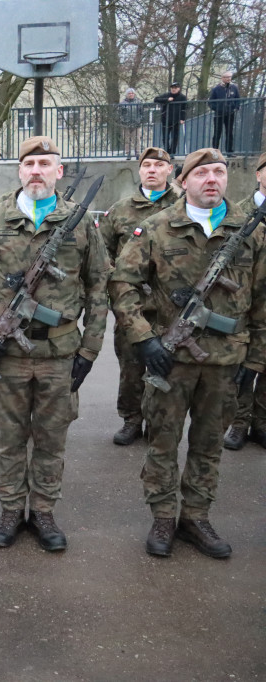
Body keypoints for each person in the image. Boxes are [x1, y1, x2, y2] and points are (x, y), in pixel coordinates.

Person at [0, 136, 110, 552]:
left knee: (51, 438)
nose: (36, 170)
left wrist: (90, 350)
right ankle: (9, 509)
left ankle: (42, 510)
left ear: (59, 171)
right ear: (19, 171)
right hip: (6, 356)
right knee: (8, 437)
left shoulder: (78, 222)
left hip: (60, 354)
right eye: (30, 164)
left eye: (45, 163)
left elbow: (99, 287)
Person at [110, 148, 264, 559]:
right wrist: (144, 339)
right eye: (203, 173)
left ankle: (196, 516)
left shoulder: (250, 232)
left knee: (209, 444)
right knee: (161, 441)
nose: (212, 179)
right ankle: (163, 516)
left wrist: (255, 362)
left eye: (219, 172)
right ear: (185, 179)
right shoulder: (157, 228)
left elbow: (264, 301)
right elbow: (122, 284)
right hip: (170, 359)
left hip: (226, 362)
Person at [99, 147, 182, 446]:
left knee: (168, 368)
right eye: (146, 165)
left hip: (172, 309)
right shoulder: (120, 210)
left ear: (169, 170)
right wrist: (118, 279)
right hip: (131, 307)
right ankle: (132, 419)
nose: (152, 170)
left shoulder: (184, 206)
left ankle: (158, 422)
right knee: (131, 369)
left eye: (159, 165)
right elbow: (101, 253)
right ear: (140, 170)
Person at [223, 151, 266, 451]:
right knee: (244, 365)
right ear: (258, 174)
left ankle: (261, 425)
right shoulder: (239, 213)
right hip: (247, 299)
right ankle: (239, 424)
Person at [209, 72, 241, 155]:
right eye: (226, 77)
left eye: (230, 77)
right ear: (222, 78)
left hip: (230, 113)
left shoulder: (234, 88)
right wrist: (217, 108)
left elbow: (238, 99)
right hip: (218, 114)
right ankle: (215, 152)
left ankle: (229, 151)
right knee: (217, 133)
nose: (228, 79)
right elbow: (210, 102)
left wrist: (236, 107)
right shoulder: (216, 89)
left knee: (229, 132)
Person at [153, 83, 187, 156]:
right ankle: (166, 151)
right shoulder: (166, 95)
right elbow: (156, 99)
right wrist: (167, 100)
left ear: (179, 88)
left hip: (176, 120)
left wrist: (182, 118)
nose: (173, 89)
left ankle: (172, 152)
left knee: (175, 137)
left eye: (175, 88)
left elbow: (184, 108)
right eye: (172, 88)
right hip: (166, 120)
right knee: (165, 137)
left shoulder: (182, 97)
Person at [118, 88, 144, 159]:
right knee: (127, 139)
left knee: (137, 139)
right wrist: (123, 120)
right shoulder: (123, 103)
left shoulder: (138, 102)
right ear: (127, 95)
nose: (131, 94)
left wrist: (139, 120)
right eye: (129, 93)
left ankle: (137, 153)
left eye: (132, 93)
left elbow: (142, 113)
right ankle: (128, 153)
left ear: (134, 94)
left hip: (136, 124)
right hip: (126, 124)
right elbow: (119, 114)